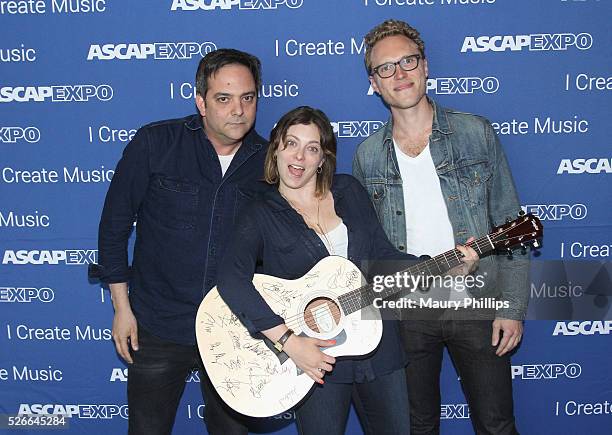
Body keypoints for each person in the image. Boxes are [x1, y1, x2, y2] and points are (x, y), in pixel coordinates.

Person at [216, 106, 478, 435]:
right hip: (314, 358)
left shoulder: (348, 191)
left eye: (312, 148)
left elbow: (383, 258)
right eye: (291, 143)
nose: (299, 157)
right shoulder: (259, 213)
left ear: (323, 159)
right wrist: (289, 343)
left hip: (379, 347)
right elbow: (230, 279)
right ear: (276, 149)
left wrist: (445, 267)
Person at [353, 20, 529, 435]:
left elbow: (511, 224)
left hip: (478, 301)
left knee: (497, 424)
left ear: (426, 66)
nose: (400, 74)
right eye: (385, 68)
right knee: (417, 426)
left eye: (408, 61)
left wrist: (512, 308)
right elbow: (368, 246)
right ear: (374, 83)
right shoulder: (366, 157)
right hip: (406, 311)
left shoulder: (475, 133)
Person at [95, 48, 267, 435]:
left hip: (235, 329)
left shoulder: (270, 162)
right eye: (224, 98)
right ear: (201, 101)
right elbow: (113, 228)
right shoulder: (156, 143)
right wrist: (122, 308)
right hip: (157, 324)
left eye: (248, 97)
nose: (237, 110)